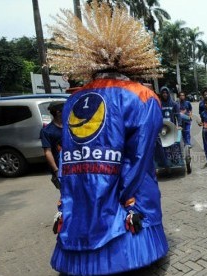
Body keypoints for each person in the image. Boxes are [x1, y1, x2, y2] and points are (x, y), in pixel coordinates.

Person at [47, 1, 168, 275]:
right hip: (125, 183)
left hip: (82, 181)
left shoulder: (73, 99)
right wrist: (126, 195)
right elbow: (140, 154)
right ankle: (127, 259)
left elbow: (67, 150)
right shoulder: (142, 96)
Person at [40, 101, 64, 189]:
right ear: (58, 112)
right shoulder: (47, 131)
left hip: (74, 167)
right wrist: (56, 170)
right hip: (61, 169)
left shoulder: (70, 126)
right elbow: (48, 152)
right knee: (66, 196)